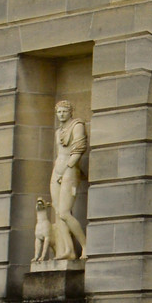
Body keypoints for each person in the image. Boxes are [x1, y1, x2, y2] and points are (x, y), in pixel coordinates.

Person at [49, 101, 88, 259]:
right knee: (58, 212)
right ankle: (68, 250)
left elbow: (78, 149)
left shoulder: (77, 125)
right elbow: (59, 154)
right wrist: (57, 172)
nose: (61, 115)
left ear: (71, 112)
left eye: (64, 111)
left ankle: (85, 246)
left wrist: (66, 169)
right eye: (59, 112)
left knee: (65, 212)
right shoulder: (59, 131)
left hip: (70, 170)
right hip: (57, 171)